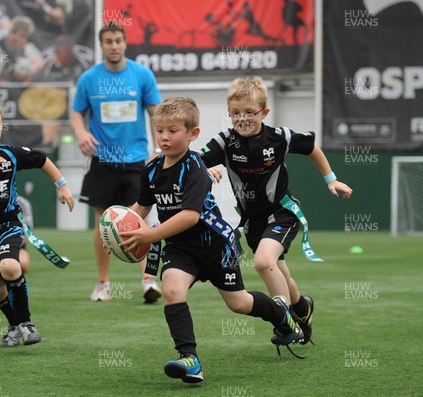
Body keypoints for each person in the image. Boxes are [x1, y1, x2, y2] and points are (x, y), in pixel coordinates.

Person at [120, 97, 301, 383]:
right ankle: (189, 359)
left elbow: (189, 216)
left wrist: (150, 234)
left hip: (216, 246)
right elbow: (142, 207)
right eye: (160, 131)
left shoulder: (195, 168)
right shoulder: (152, 170)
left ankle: (281, 316)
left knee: (239, 304)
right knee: (171, 290)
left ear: (193, 133)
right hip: (180, 248)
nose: (165, 137)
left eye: (173, 130)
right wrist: (121, 226)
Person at [200, 76, 353, 346]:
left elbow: (311, 148)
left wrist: (331, 179)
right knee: (280, 272)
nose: (242, 118)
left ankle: (286, 324)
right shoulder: (224, 142)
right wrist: (205, 167)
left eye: (250, 112)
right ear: (229, 114)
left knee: (263, 262)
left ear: (264, 113)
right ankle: (302, 307)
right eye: (236, 113)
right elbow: (195, 162)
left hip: (283, 213)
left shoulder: (279, 137)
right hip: (252, 222)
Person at [0, 95, 74, 347]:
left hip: (8, 225)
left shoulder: (10, 154)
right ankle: (14, 324)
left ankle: (27, 323)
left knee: (9, 266)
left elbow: (41, 159)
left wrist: (61, 185)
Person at [70, 22, 163, 303]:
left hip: (136, 161)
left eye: (118, 40)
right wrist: (81, 132)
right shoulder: (89, 79)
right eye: (109, 41)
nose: (114, 45)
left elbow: (156, 112)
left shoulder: (142, 75)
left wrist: (158, 148)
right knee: (103, 224)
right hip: (103, 161)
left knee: (139, 221)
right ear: (102, 45)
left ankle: (148, 281)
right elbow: (76, 113)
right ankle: (103, 284)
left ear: (125, 43)